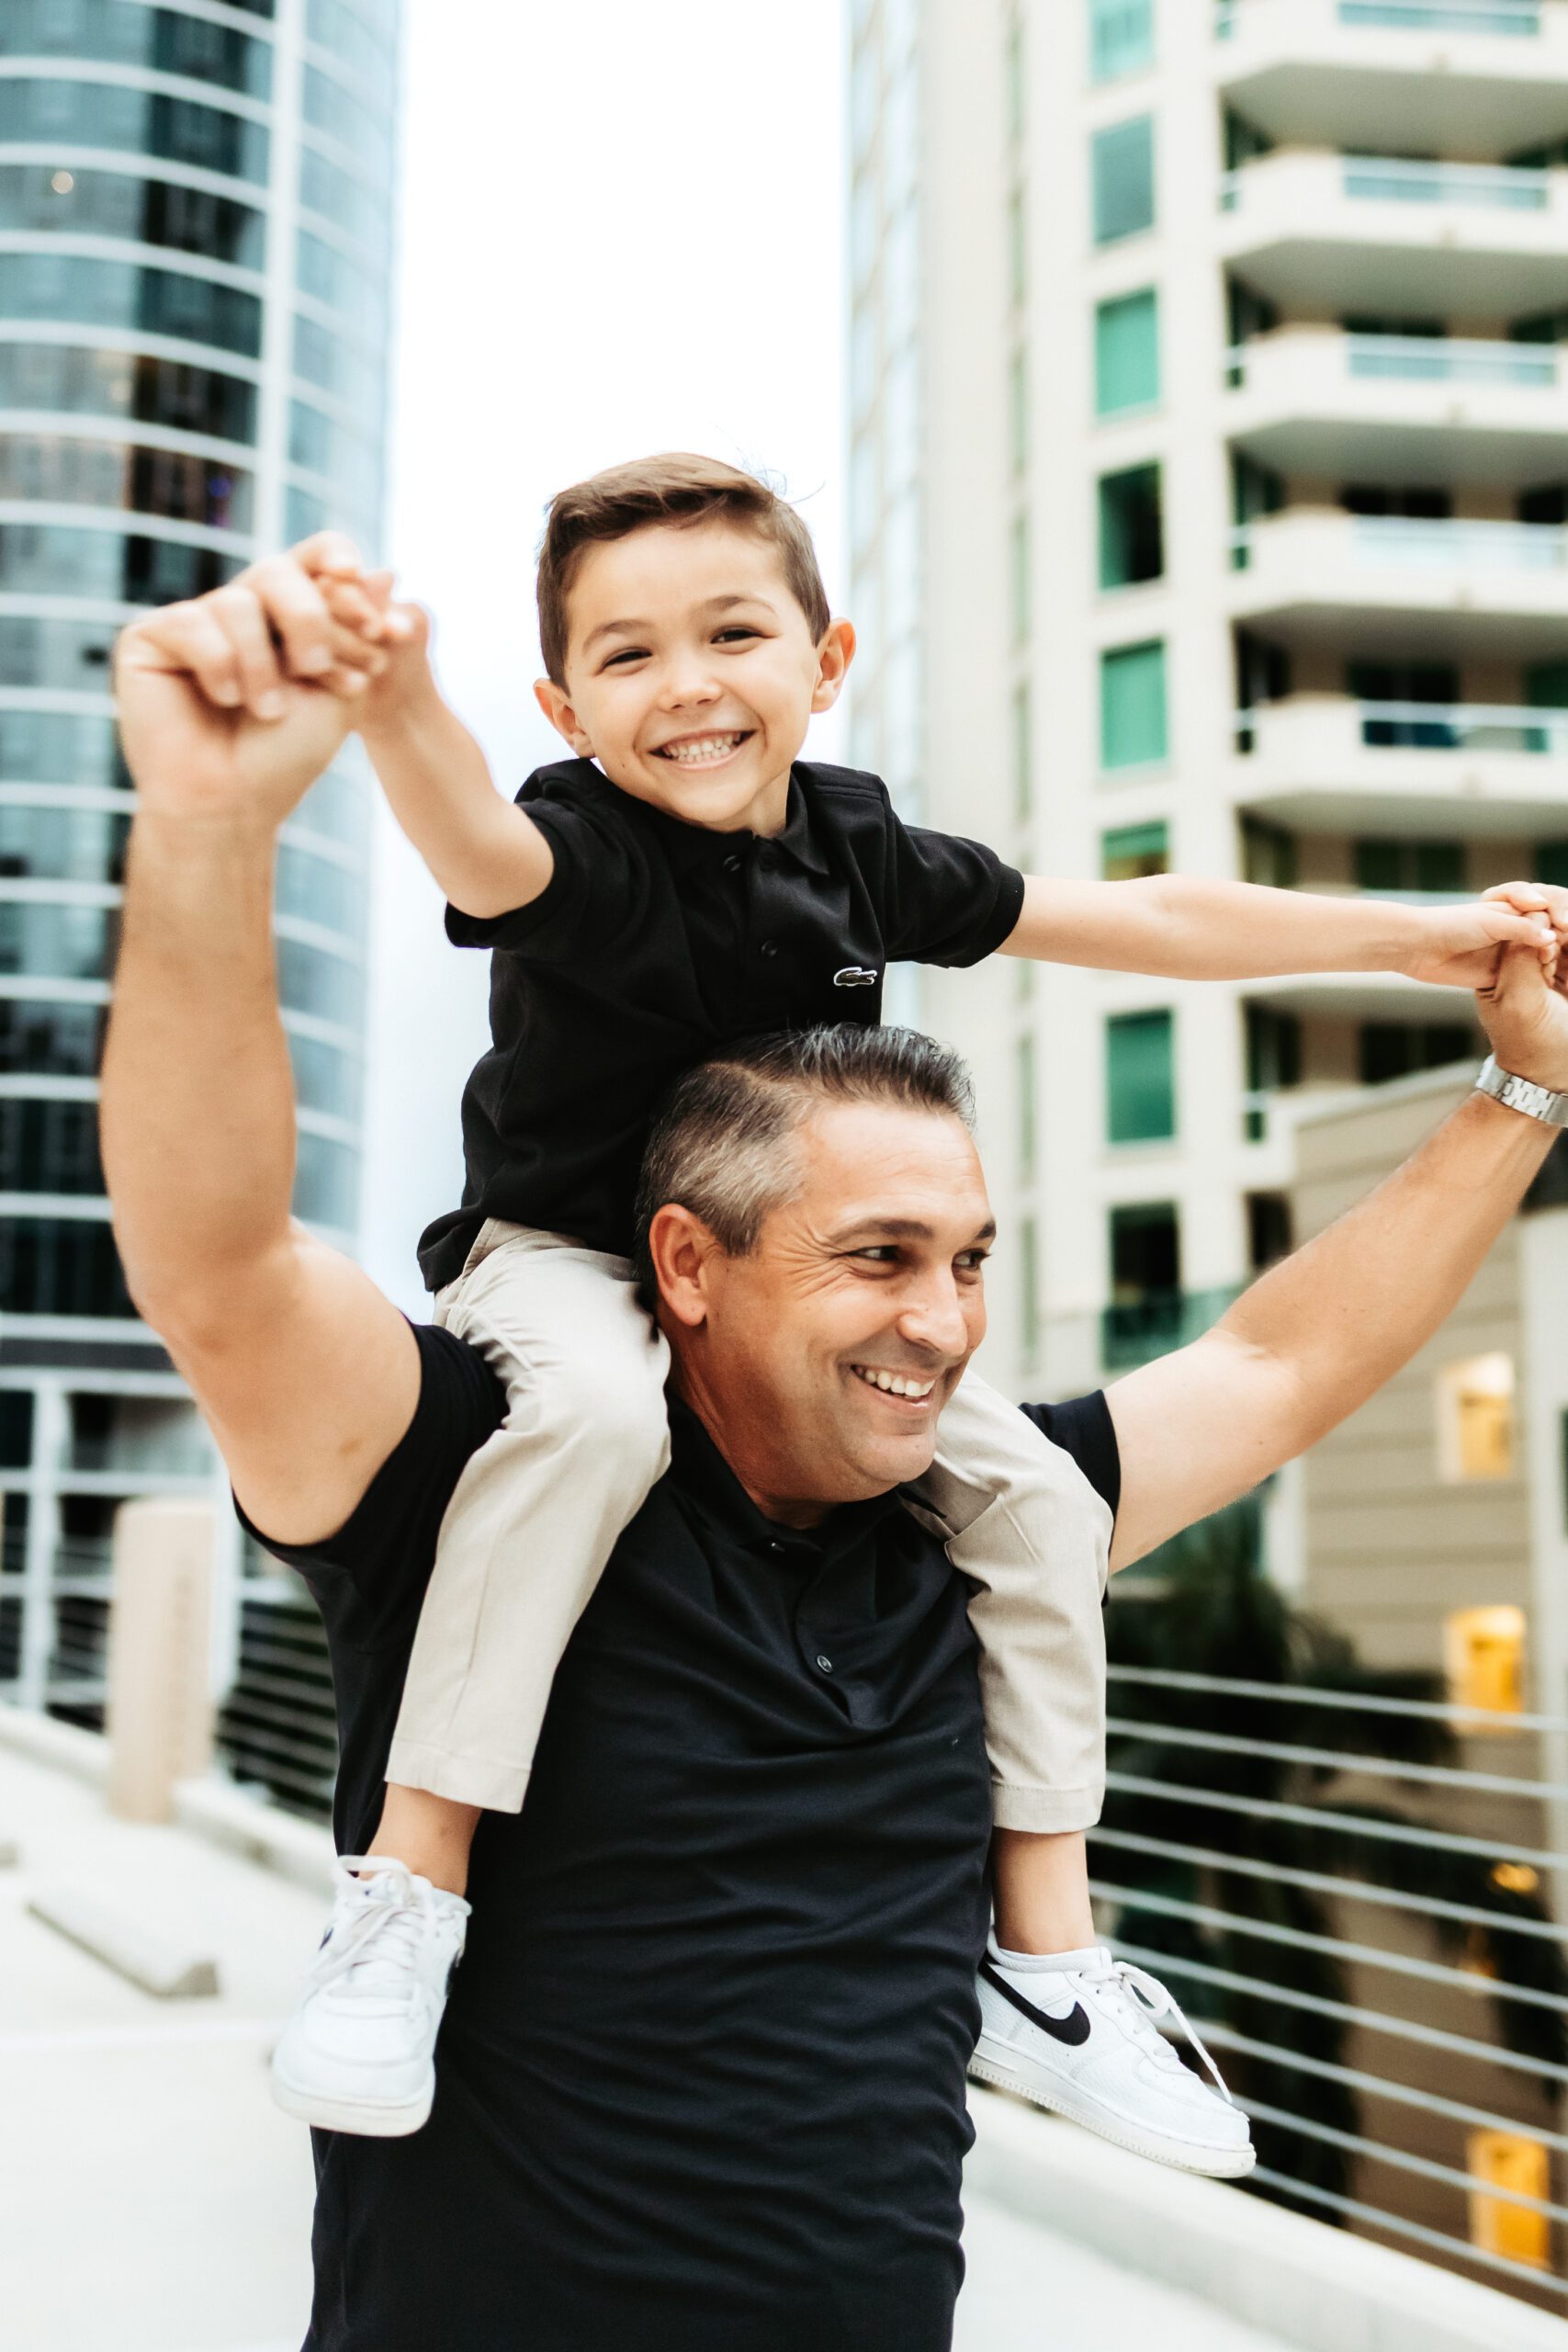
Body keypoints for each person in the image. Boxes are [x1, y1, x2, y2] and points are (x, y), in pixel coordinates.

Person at [104, 562, 1568, 2348]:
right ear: (685, 1263)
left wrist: (1523, 1090)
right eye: (876, 1257)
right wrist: (206, 832)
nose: (941, 1322)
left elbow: (1277, 1361)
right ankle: (399, 1900)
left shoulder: (976, 1521)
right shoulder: (469, 1471)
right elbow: (219, 1265)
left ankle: (1054, 1971)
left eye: (967, 1261)